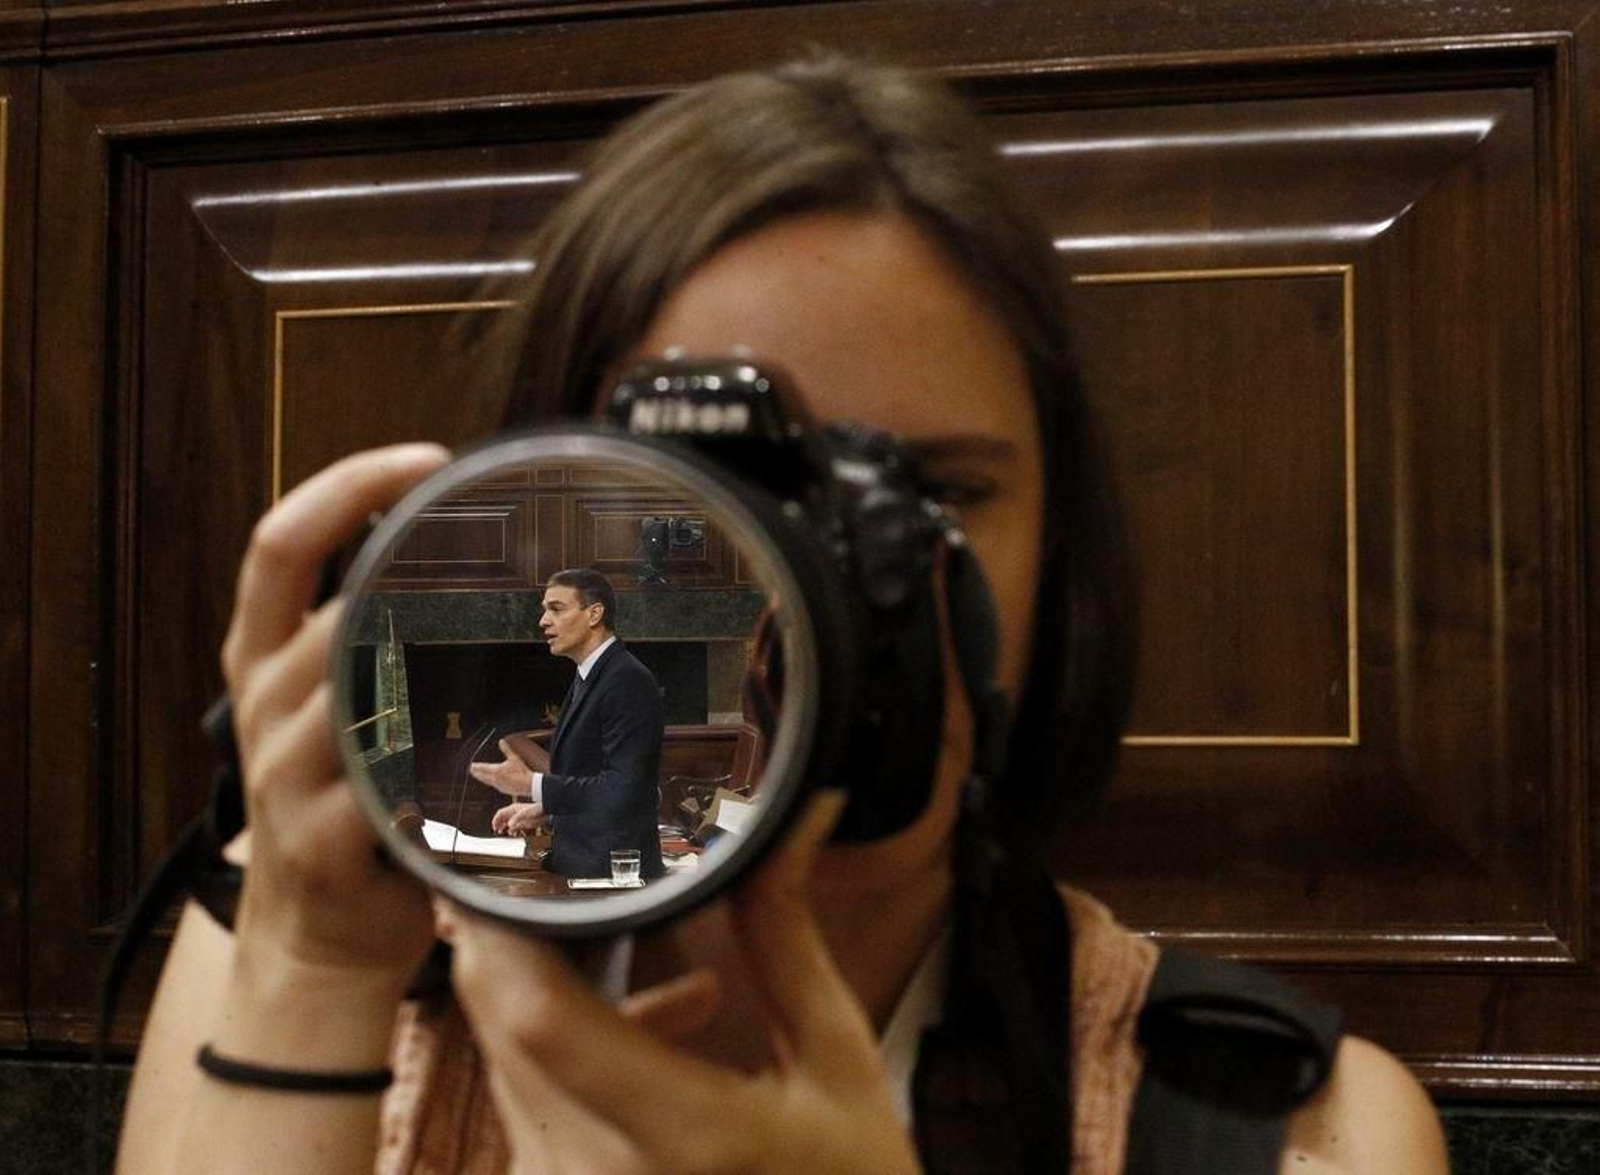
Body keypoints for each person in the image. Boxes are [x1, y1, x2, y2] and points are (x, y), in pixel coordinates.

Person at [115, 55, 1449, 1175]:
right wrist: (312, 968)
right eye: (702, 501)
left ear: (1068, 557)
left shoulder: (1292, 1129)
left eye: (915, 490)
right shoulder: (283, 955)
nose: (791, 588)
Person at [468, 567, 667, 880]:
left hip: (613, 874)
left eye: (556, 609)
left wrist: (531, 785)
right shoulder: (590, 673)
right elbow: (591, 777)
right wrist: (545, 809)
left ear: (594, 614)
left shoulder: (627, 680)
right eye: (544, 610)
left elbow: (625, 789)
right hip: (583, 863)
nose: (543, 621)